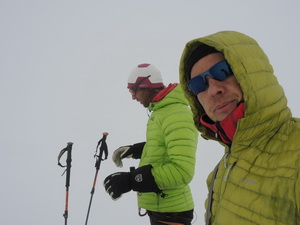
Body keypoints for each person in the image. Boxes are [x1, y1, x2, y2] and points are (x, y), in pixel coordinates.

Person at [179, 30, 300, 225]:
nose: (213, 90)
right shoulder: (221, 170)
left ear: (252, 73)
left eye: (222, 71)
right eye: (198, 84)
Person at [103, 63, 198, 225]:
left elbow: (182, 171)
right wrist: (135, 150)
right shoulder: (162, 111)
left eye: (133, 90)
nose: (133, 97)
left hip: (172, 213)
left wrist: (131, 180)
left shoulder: (176, 114)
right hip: (163, 209)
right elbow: (165, 148)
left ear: (147, 86)